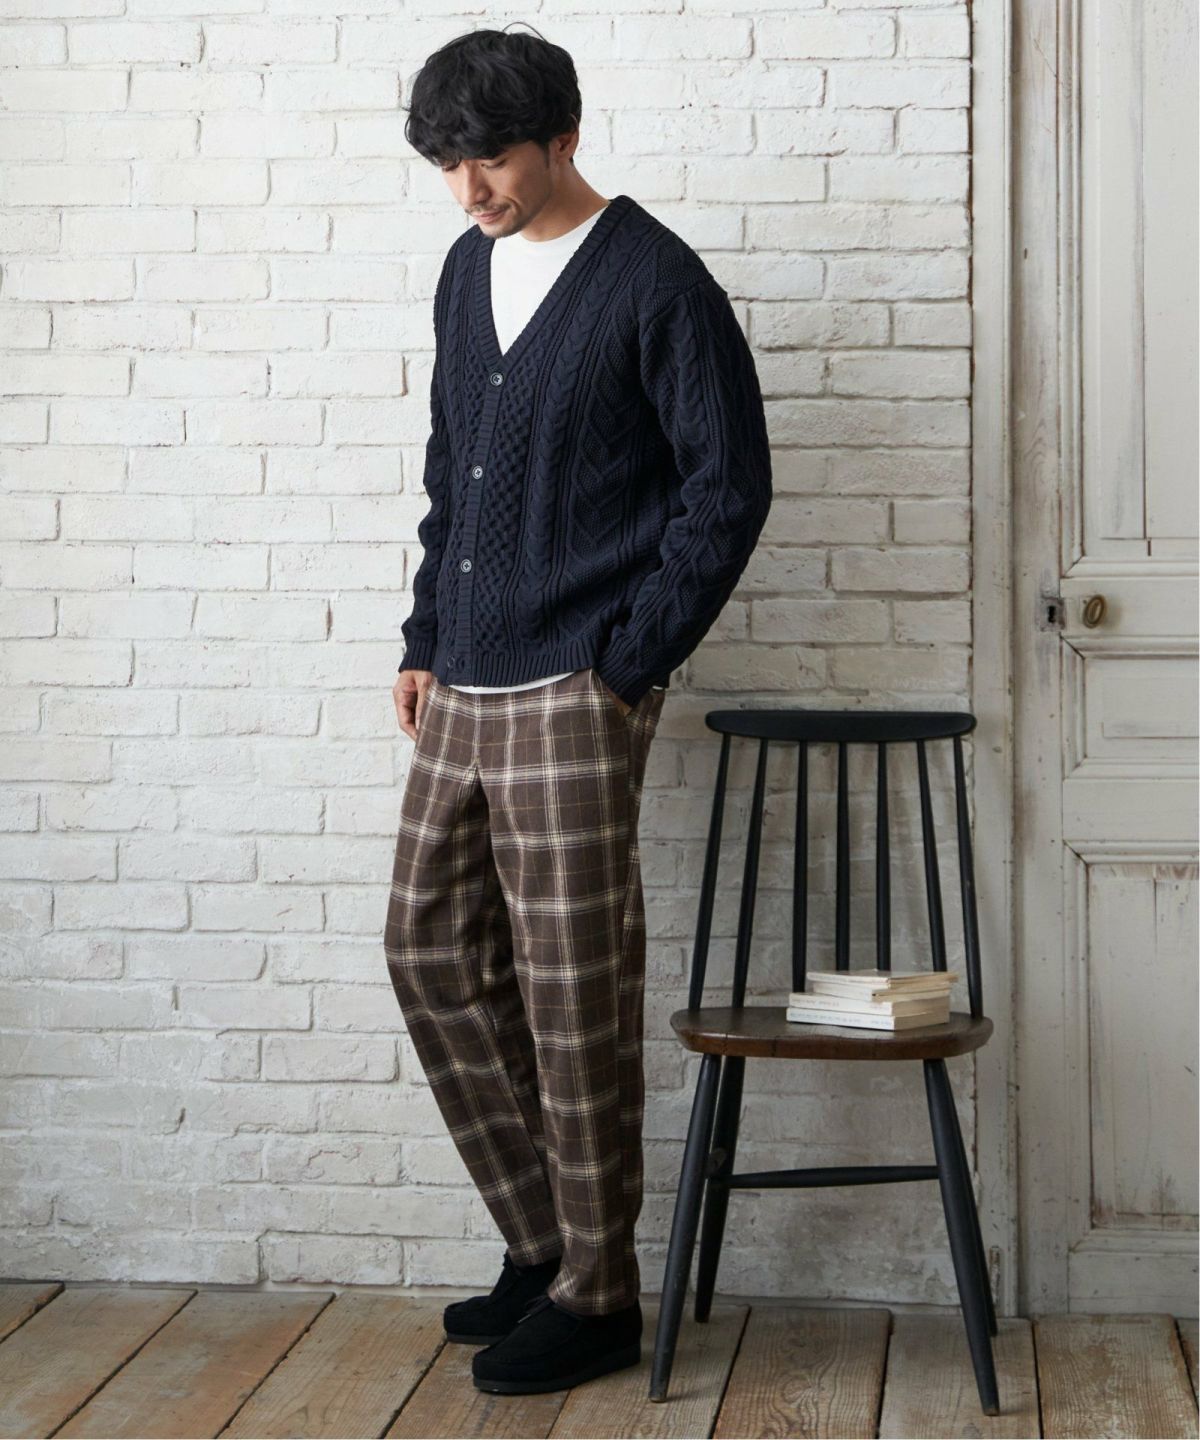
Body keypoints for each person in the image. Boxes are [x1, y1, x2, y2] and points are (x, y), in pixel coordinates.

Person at [383, 24, 773, 1396]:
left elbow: (728, 488)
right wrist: (425, 635)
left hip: (575, 686)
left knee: (572, 995)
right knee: (427, 952)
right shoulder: (466, 268)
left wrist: (629, 663)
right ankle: (544, 1241)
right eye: (448, 165)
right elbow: (454, 470)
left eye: (490, 159)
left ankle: (600, 1291)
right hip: (463, 680)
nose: (469, 189)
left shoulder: (656, 281)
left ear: (562, 135)